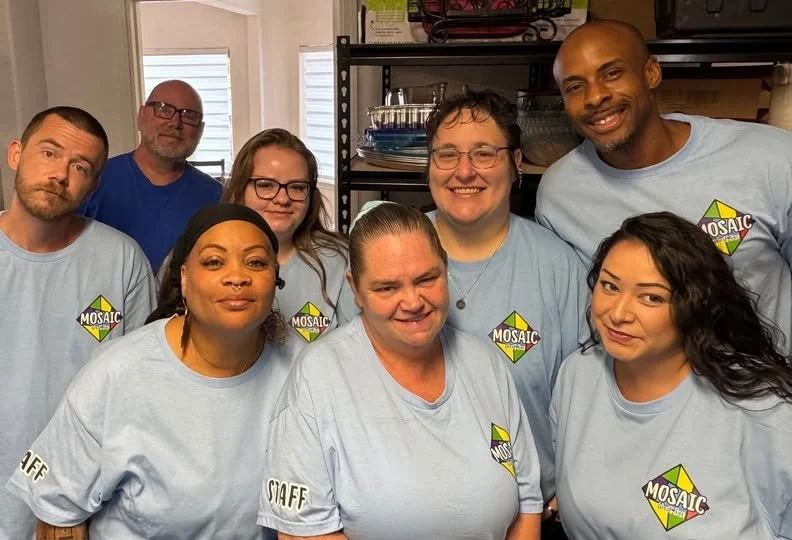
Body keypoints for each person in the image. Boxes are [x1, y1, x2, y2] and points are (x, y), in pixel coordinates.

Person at [6, 204, 299, 539]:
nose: (237, 277)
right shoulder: (117, 373)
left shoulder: (304, 374)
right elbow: (58, 513)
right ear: (185, 279)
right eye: (214, 262)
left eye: (256, 262)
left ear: (275, 277)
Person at [258, 203, 543, 539]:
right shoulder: (318, 378)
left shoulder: (486, 365)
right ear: (355, 288)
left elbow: (527, 504)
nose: (412, 302)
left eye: (427, 279)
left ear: (446, 268)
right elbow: (303, 533)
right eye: (387, 288)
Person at [535, 20, 792, 354]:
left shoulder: (769, 158)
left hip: (763, 380)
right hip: (636, 383)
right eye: (574, 87)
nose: (595, 97)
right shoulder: (559, 193)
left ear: (651, 73)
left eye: (612, 73)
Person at [550, 211, 792, 539]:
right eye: (609, 285)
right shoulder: (578, 375)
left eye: (651, 297)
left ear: (696, 304)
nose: (618, 313)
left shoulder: (766, 408)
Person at [424, 89, 589, 532]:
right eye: (447, 154)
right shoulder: (391, 251)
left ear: (516, 164)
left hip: (527, 515)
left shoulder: (558, 267)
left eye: (484, 153)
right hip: (407, 510)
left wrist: (572, 479)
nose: (464, 171)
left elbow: (590, 392)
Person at [0, 106, 156, 540]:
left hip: (83, 500)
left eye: (80, 166)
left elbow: (140, 393)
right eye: (49, 153)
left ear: (93, 184)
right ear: (16, 154)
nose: (60, 174)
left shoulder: (122, 260)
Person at [81, 79, 223, 273]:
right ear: (141, 116)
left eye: (189, 116)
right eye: (164, 109)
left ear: (200, 131)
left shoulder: (216, 196)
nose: (175, 123)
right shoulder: (92, 181)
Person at [222, 128, 349, 347]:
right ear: (240, 188)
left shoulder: (339, 261)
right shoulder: (206, 260)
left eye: (297, 187)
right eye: (265, 185)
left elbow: (356, 348)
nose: (282, 199)